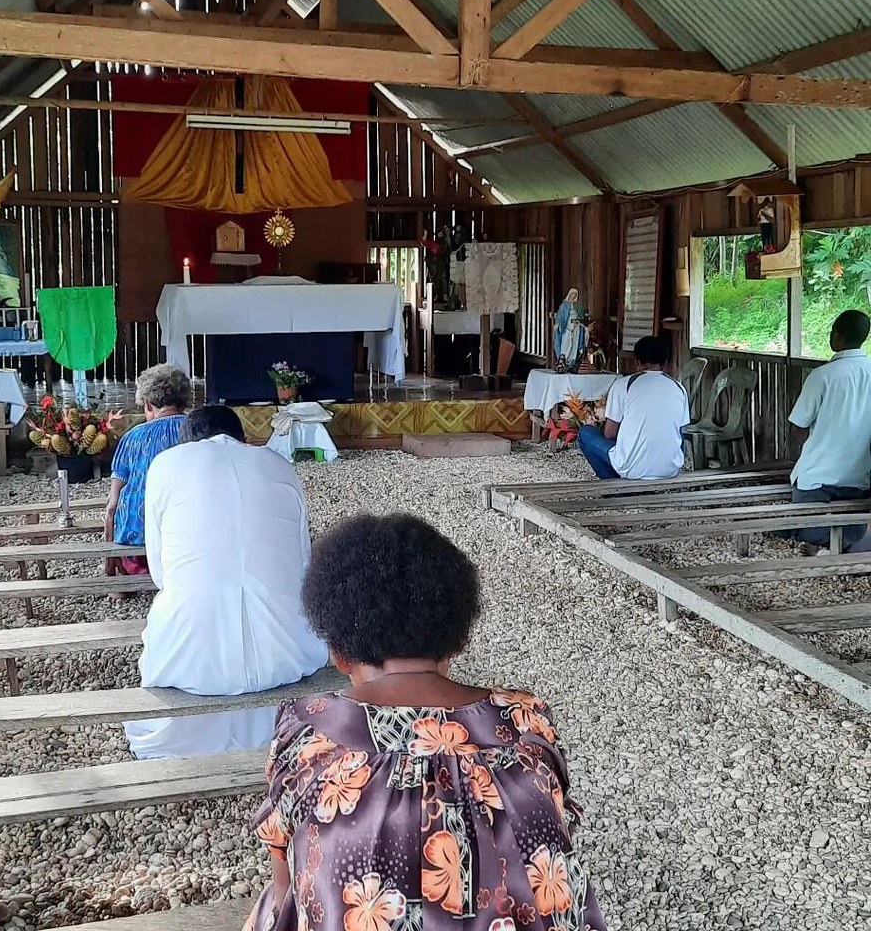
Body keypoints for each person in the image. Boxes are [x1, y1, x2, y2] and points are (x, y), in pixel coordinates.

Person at [244, 514, 607, 931]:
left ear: (338, 654)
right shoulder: (527, 724)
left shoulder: (308, 734)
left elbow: (285, 884)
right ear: (458, 639)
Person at [124, 405, 327, 758]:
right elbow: (303, 563)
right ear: (244, 439)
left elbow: (159, 571)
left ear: (184, 443)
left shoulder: (166, 465)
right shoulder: (279, 465)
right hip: (287, 655)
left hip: (191, 663)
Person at [788, 309, 871, 554]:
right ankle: (851, 541)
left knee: (806, 528)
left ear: (836, 337)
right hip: (858, 478)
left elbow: (798, 427)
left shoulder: (822, 376)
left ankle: (827, 549)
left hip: (817, 478)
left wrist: (805, 455)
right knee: (851, 525)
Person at [104, 363, 193, 578]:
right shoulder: (197, 429)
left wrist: (109, 549)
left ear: (148, 404)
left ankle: (121, 581)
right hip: (187, 528)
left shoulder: (133, 436)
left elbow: (113, 501)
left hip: (137, 530)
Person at [577, 336, 690, 481]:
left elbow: (609, 434)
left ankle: (614, 483)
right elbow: (681, 432)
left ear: (637, 362)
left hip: (632, 469)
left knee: (585, 434)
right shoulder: (679, 388)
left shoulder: (623, 385)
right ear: (665, 364)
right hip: (670, 469)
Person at [553, 288, 589, 371]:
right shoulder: (564, 305)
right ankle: (562, 360)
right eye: (572, 294)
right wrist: (558, 324)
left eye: (575, 295)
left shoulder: (578, 306)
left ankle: (572, 362)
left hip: (576, 327)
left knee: (574, 344)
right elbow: (560, 317)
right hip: (567, 327)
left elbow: (581, 317)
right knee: (565, 343)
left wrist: (579, 321)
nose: (573, 296)